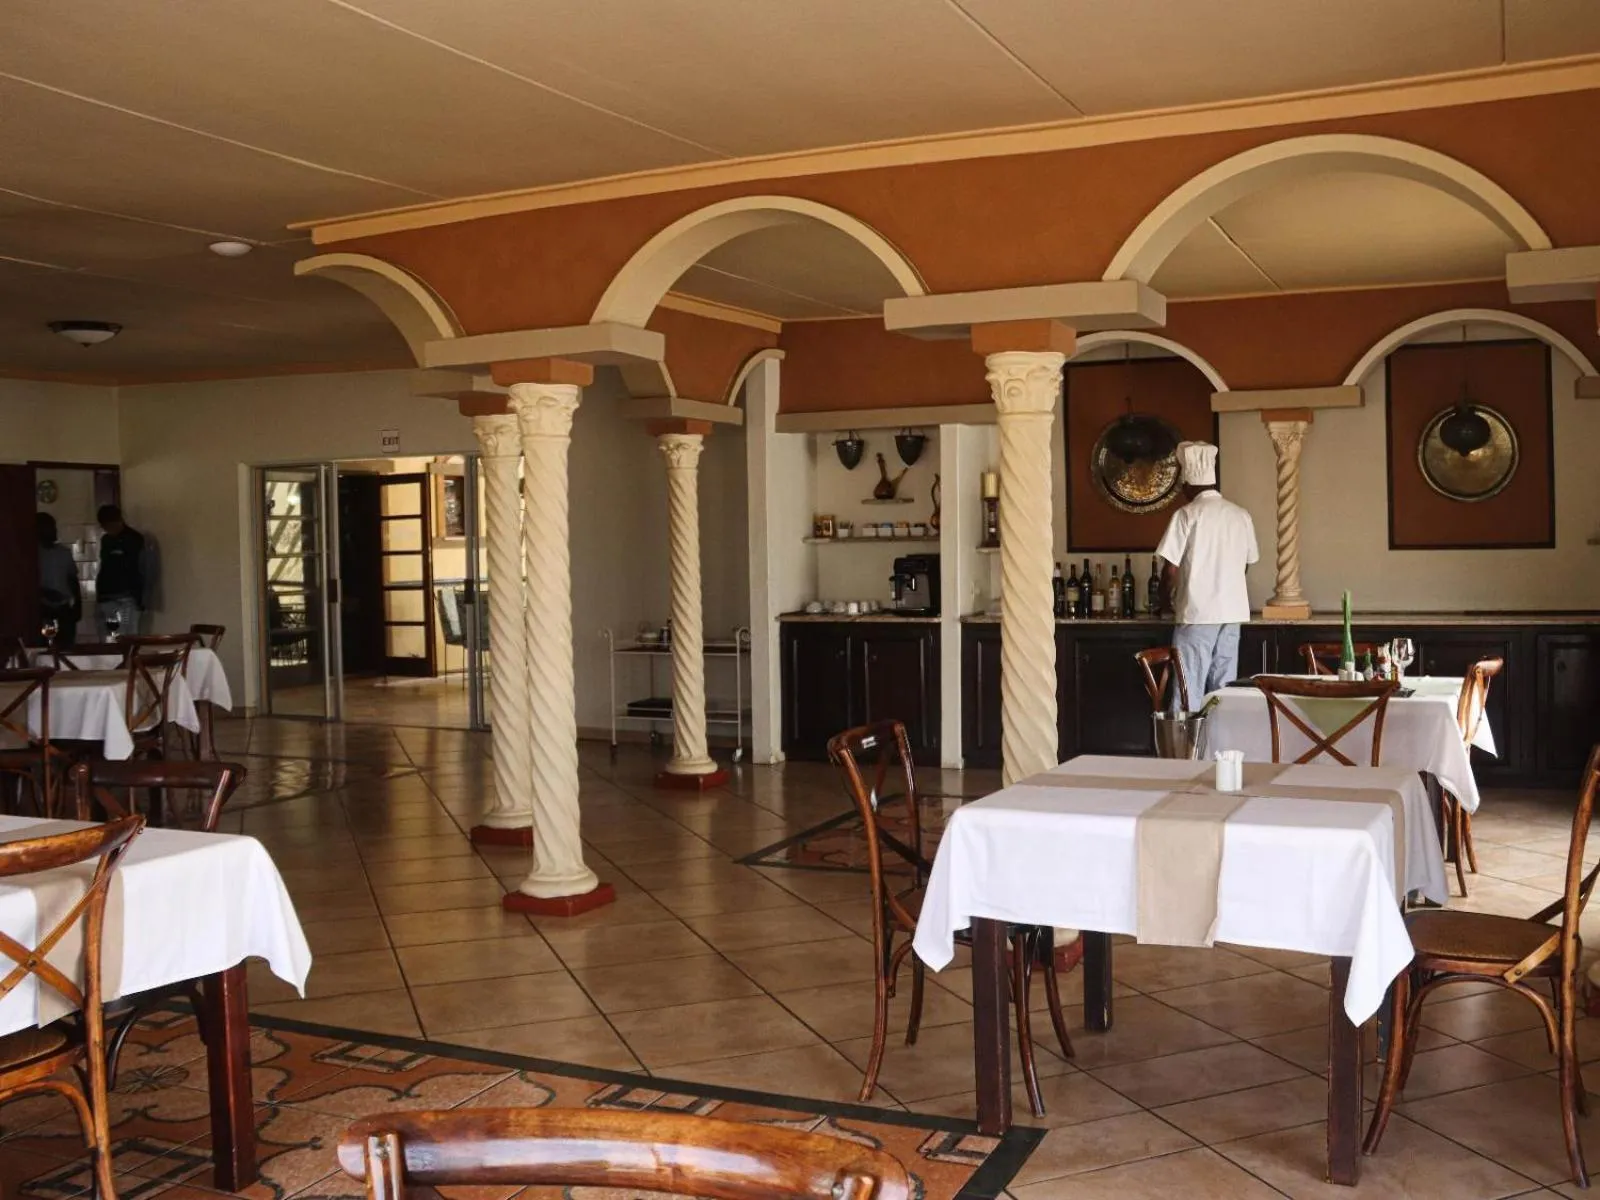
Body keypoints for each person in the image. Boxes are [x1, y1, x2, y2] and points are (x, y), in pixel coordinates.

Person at [1155, 442, 1259, 705]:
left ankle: (1186, 745)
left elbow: (1171, 568)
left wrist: (1164, 599)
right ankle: (1218, 745)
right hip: (1232, 613)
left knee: (1188, 689)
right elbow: (1246, 563)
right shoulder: (1240, 515)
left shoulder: (1187, 515)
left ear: (1188, 484)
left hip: (1198, 613)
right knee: (1224, 692)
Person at [96, 504, 145, 639]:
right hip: (107, 596)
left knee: (127, 638)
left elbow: (140, 568)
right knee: (107, 638)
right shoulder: (106, 540)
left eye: (107, 525)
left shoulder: (134, 539)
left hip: (127, 597)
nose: (106, 529)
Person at [37, 513, 81, 646]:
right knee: (44, 648)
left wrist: (78, 605)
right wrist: (44, 593)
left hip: (64, 608)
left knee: (67, 646)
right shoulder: (33, 553)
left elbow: (73, 579)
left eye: (54, 526)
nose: (54, 530)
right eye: (49, 527)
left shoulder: (64, 552)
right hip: (42, 608)